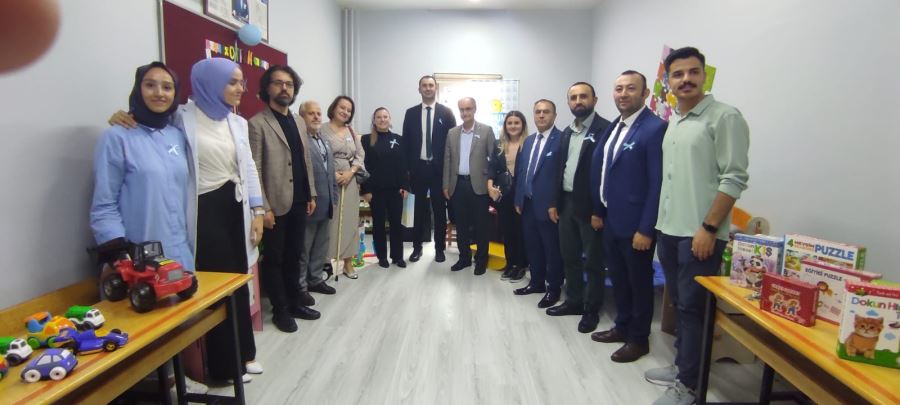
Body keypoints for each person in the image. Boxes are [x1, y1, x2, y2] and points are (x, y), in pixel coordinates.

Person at [107, 57, 265, 383]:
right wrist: (121, 115)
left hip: (235, 207)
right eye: (232, 81)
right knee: (214, 286)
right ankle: (222, 366)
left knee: (239, 280)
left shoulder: (237, 122)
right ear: (211, 83)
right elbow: (148, 124)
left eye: (242, 82)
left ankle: (245, 353)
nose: (240, 88)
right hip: (204, 211)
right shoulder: (181, 117)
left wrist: (257, 209)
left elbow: (248, 166)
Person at [90, 61, 208, 394]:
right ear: (137, 89)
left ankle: (172, 384)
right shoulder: (117, 136)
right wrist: (116, 252)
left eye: (167, 87)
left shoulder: (177, 135)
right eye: (150, 85)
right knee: (140, 343)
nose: (159, 93)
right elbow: (104, 203)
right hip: (138, 256)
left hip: (178, 250)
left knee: (174, 333)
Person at [644, 47, 749, 405]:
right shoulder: (675, 120)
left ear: (705, 75)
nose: (685, 79)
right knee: (680, 306)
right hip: (669, 230)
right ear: (668, 81)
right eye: (677, 74)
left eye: (693, 72)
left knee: (694, 309)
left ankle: (689, 386)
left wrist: (709, 227)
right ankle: (683, 368)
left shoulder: (725, 117)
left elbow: (734, 178)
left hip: (699, 234)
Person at [589, 70, 666, 363]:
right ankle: (622, 326)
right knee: (619, 279)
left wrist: (646, 228)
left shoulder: (654, 128)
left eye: (631, 88)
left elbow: (657, 183)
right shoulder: (615, 126)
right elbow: (605, 169)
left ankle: (638, 338)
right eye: (619, 89)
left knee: (639, 283)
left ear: (645, 94)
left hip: (636, 226)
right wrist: (599, 211)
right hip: (611, 220)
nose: (623, 94)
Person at [248, 65, 319, 334]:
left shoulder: (298, 121)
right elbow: (254, 168)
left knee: (295, 254)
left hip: (299, 200)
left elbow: (305, 160)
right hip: (274, 205)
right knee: (275, 258)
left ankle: (295, 302)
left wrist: (310, 193)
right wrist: (262, 207)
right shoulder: (257, 123)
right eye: (278, 83)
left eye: (289, 84)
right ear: (267, 88)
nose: (284, 88)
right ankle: (280, 310)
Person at [547, 82, 611, 334]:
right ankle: (573, 301)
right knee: (569, 256)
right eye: (573, 98)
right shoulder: (567, 132)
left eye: (583, 96)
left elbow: (606, 174)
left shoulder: (605, 129)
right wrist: (555, 203)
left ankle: (591, 309)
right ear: (568, 103)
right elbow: (559, 170)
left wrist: (599, 210)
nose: (578, 101)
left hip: (591, 206)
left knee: (593, 261)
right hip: (566, 203)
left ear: (594, 99)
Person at [513, 100, 564, 305]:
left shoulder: (562, 140)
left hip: (549, 207)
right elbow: (521, 172)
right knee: (532, 247)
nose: (541, 115)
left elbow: (561, 177)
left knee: (551, 250)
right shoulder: (528, 141)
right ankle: (536, 283)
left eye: (546, 112)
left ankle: (554, 288)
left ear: (554, 115)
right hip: (527, 204)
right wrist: (518, 198)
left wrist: (555, 203)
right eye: (538, 112)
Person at [402, 75, 457, 263]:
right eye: (424, 85)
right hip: (417, 170)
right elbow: (406, 143)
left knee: (440, 212)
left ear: (436, 88)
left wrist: (449, 171)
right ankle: (416, 248)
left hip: (439, 171)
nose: (427, 88)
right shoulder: (410, 113)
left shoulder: (447, 113)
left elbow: (452, 143)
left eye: (431, 85)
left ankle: (439, 249)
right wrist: (407, 171)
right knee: (417, 211)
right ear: (419, 89)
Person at [442, 97, 496, 275]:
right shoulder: (452, 133)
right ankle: (464, 258)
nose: (465, 113)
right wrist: (446, 185)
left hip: (479, 186)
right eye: (462, 109)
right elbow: (447, 160)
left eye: (468, 109)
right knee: (461, 225)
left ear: (474, 109)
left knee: (481, 226)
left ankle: (481, 260)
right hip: (458, 185)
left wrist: (491, 183)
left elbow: (493, 160)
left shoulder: (486, 131)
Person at [321, 95, 365, 279]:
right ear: (334, 108)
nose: (345, 112)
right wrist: (333, 174)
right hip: (327, 180)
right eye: (342, 107)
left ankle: (348, 263)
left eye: (349, 110)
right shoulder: (322, 129)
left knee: (349, 222)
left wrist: (351, 172)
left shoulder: (351, 132)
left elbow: (360, 155)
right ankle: (325, 263)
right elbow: (317, 154)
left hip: (350, 181)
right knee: (329, 222)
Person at [297, 101, 338, 298]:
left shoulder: (324, 140)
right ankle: (301, 286)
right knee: (304, 248)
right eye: (311, 113)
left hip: (327, 202)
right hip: (310, 204)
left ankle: (315, 279)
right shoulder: (300, 141)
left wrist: (334, 197)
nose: (316, 117)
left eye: (318, 113)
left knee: (321, 245)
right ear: (302, 117)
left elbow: (330, 171)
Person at [361, 108, 409, 268]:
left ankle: (397, 257)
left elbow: (403, 165)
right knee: (379, 225)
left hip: (396, 190)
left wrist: (405, 186)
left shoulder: (398, 139)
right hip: (376, 192)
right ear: (374, 120)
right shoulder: (366, 140)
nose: (382, 119)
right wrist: (366, 190)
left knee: (396, 224)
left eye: (385, 116)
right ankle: (382, 257)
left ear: (389, 119)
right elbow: (363, 166)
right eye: (379, 117)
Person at [487, 110, 529, 282]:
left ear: (522, 125)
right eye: (509, 123)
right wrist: (489, 185)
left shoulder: (529, 144)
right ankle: (510, 264)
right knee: (506, 231)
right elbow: (492, 167)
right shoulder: (499, 144)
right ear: (505, 126)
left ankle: (521, 265)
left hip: (521, 195)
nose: (513, 126)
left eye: (516, 122)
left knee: (520, 232)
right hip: (503, 195)